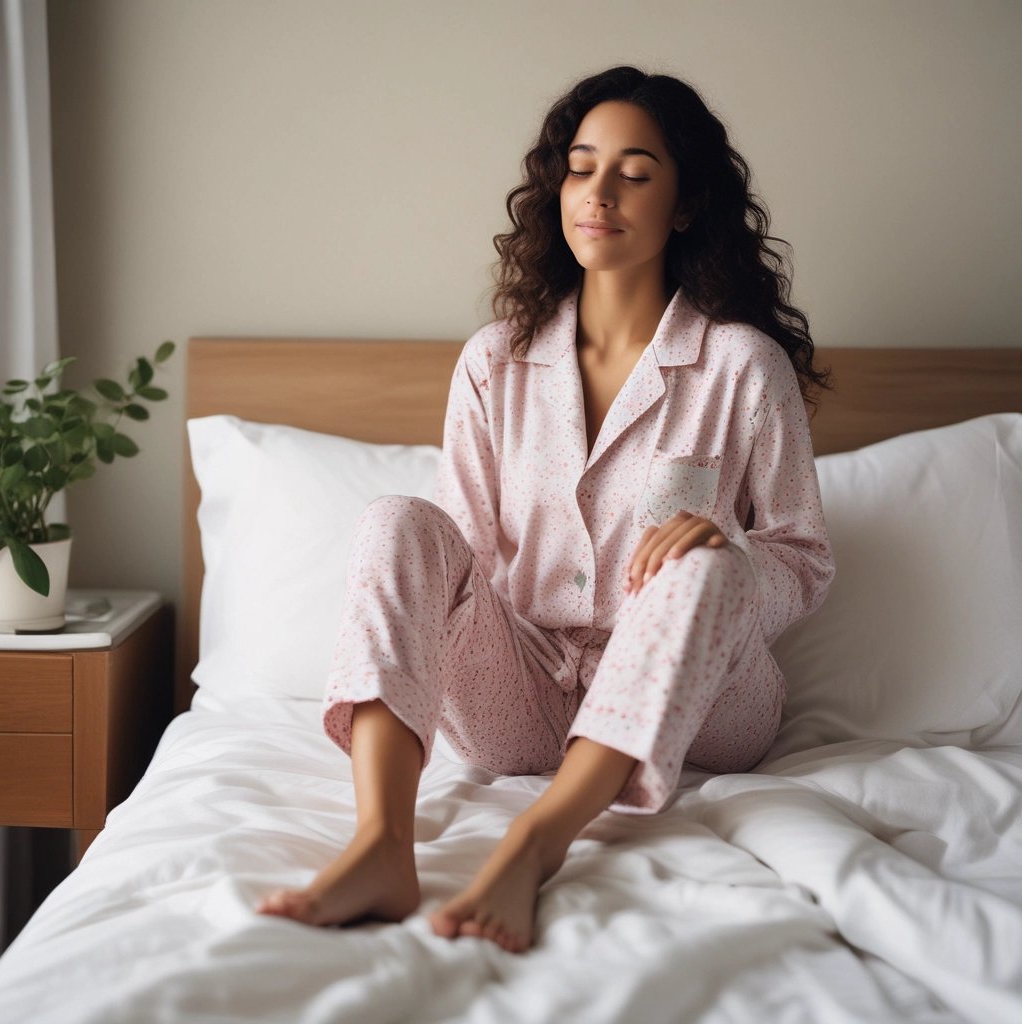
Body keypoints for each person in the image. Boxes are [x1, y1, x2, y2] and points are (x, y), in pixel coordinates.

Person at [257, 65, 835, 954]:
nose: (599, 193)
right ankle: (380, 842)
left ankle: (533, 843)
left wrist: (730, 549)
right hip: (520, 697)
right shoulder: (496, 360)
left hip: (705, 711)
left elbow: (803, 556)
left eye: (635, 172)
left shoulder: (741, 366)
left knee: (706, 559)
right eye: (580, 166)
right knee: (397, 520)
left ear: (684, 205)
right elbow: (465, 555)